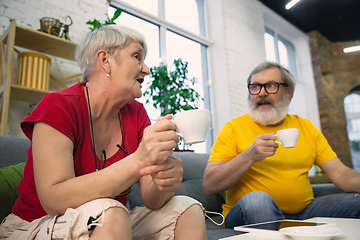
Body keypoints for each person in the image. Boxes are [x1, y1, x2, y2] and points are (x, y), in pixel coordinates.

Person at [0, 25, 207, 240]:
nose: (146, 69)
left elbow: (152, 200)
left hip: (109, 222)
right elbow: (54, 200)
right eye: (137, 56)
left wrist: (165, 182)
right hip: (38, 223)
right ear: (105, 60)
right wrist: (138, 161)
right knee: (111, 215)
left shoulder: (136, 114)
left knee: (187, 209)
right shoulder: (58, 106)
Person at [202, 61, 360, 229]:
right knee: (257, 201)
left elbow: (341, 174)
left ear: (289, 92)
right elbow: (209, 185)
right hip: (250, 213)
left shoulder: (306, 128)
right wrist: (250, 155)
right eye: (255, 87)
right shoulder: (233, 128)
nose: (262, 93)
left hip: (304, 213)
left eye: (271, 86)